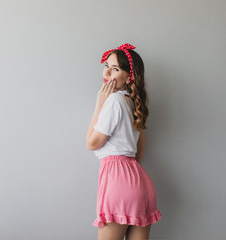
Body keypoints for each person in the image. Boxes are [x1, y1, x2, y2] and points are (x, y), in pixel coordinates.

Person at [86, 43, 162, 240]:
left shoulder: (114, 101)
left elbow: (92, 143)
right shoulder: (132, 101)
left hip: (117, 182)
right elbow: (140, 146)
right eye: (106, 66)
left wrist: (99, 103)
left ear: (129, 76)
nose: (108, 72)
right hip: (140, 181)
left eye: (116, 68)